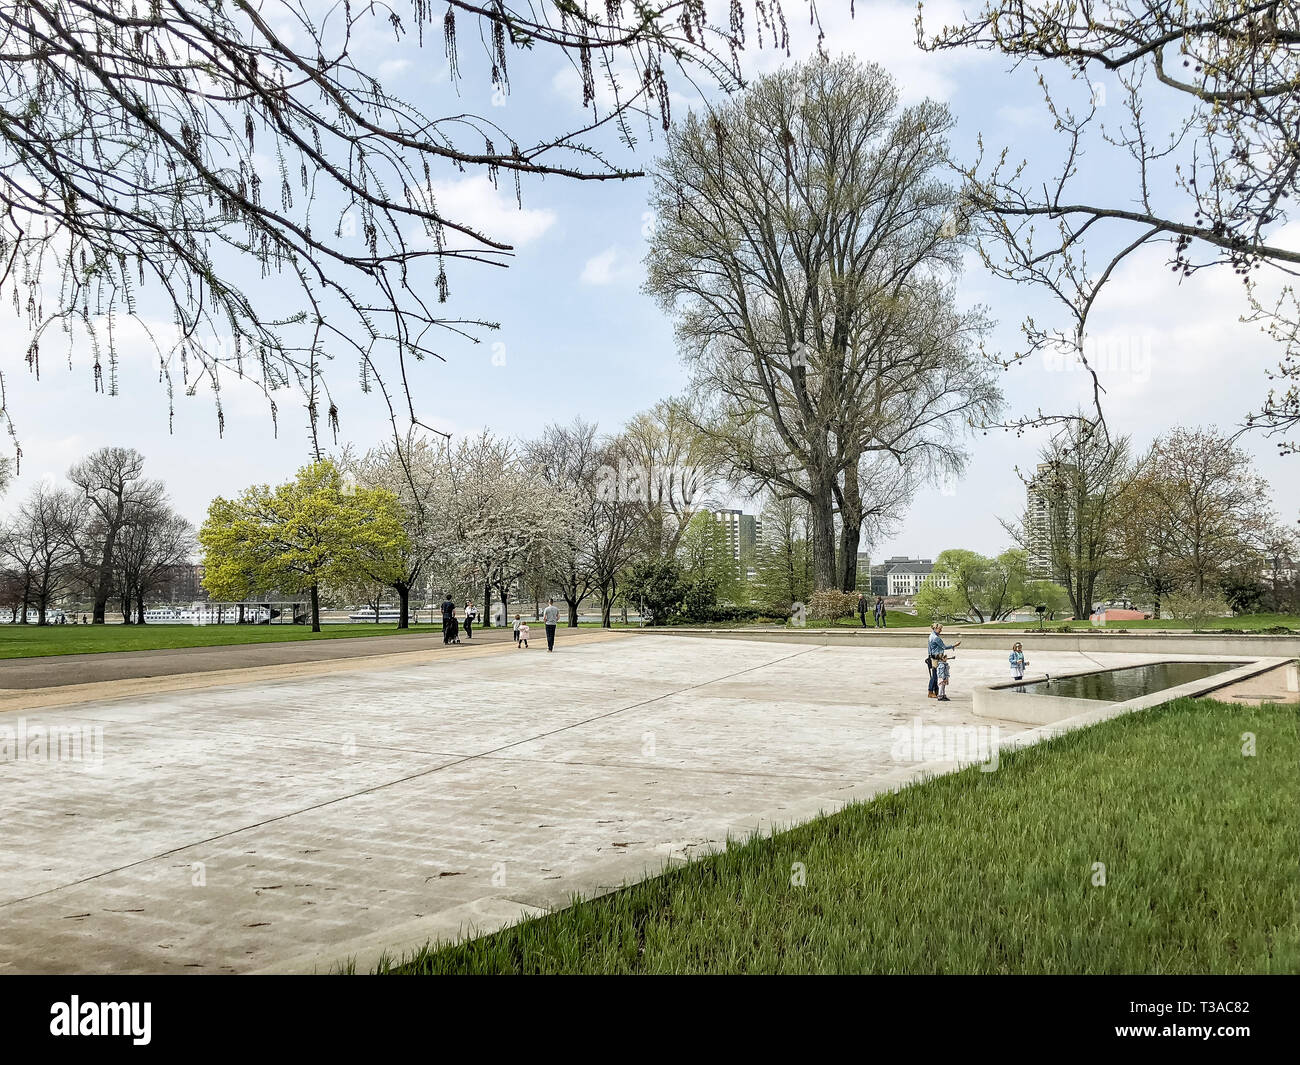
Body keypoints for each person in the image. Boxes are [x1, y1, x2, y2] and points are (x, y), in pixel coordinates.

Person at [927, 622, 959, 699]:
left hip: (933, 657)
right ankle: (931, 692)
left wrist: (929, 657)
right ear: (935, 628)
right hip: (936, 658)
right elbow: (944, 647)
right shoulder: (936, 638)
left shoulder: (931, 635)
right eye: (940, 629)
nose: (941, 630)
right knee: (935, 676)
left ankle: (935, 691)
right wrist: (954, 645)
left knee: (935, 675)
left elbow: (929, 648)